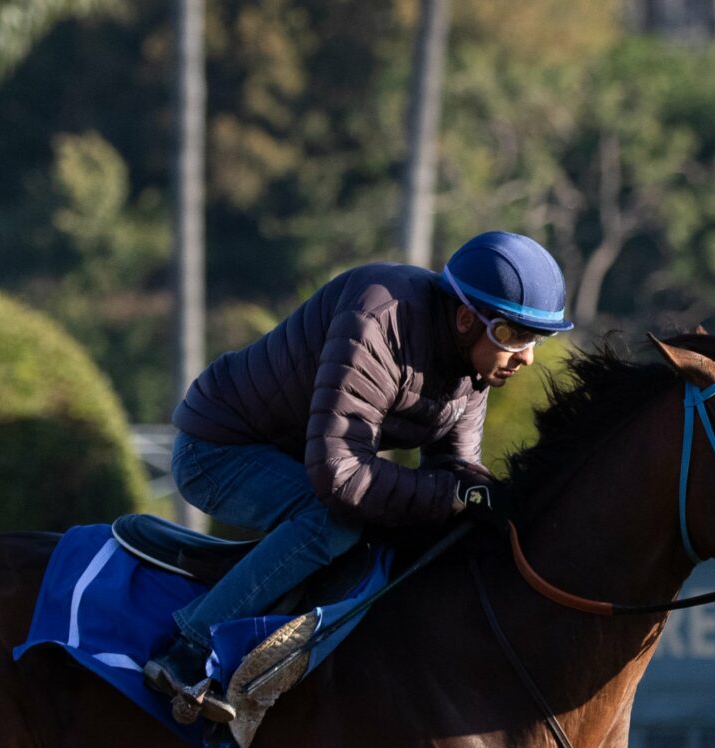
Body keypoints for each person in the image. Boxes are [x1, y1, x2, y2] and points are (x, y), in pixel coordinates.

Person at [144, 230, 573, 722]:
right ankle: (187, 650)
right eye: (515, 335)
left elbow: (455, 476)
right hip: (216, 450)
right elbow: (341, 477)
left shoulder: (473, 366)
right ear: (464, 318)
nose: (527, 357)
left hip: (297, 460)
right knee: (334, 524)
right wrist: (454, 494)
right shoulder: (380, 317)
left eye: (536, 338)